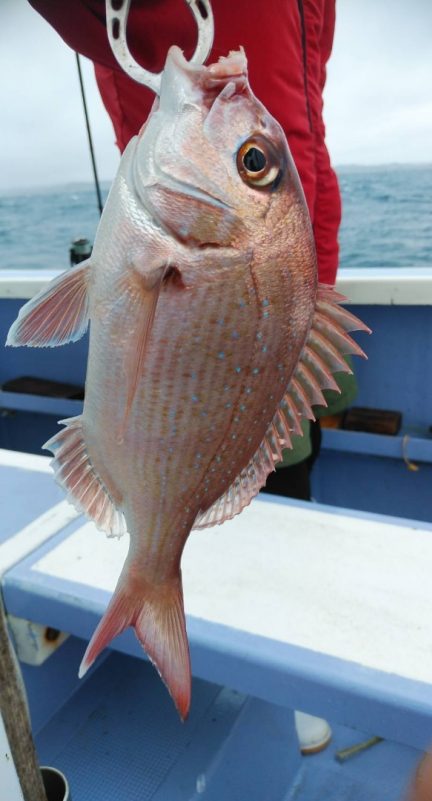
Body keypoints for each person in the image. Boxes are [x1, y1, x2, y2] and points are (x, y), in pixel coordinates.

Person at [29, 0, 355, 752]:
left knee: (290, 499)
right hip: (224, 263)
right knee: (214, 485)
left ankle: (283, 661)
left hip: (297, 285)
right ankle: (174, 603)